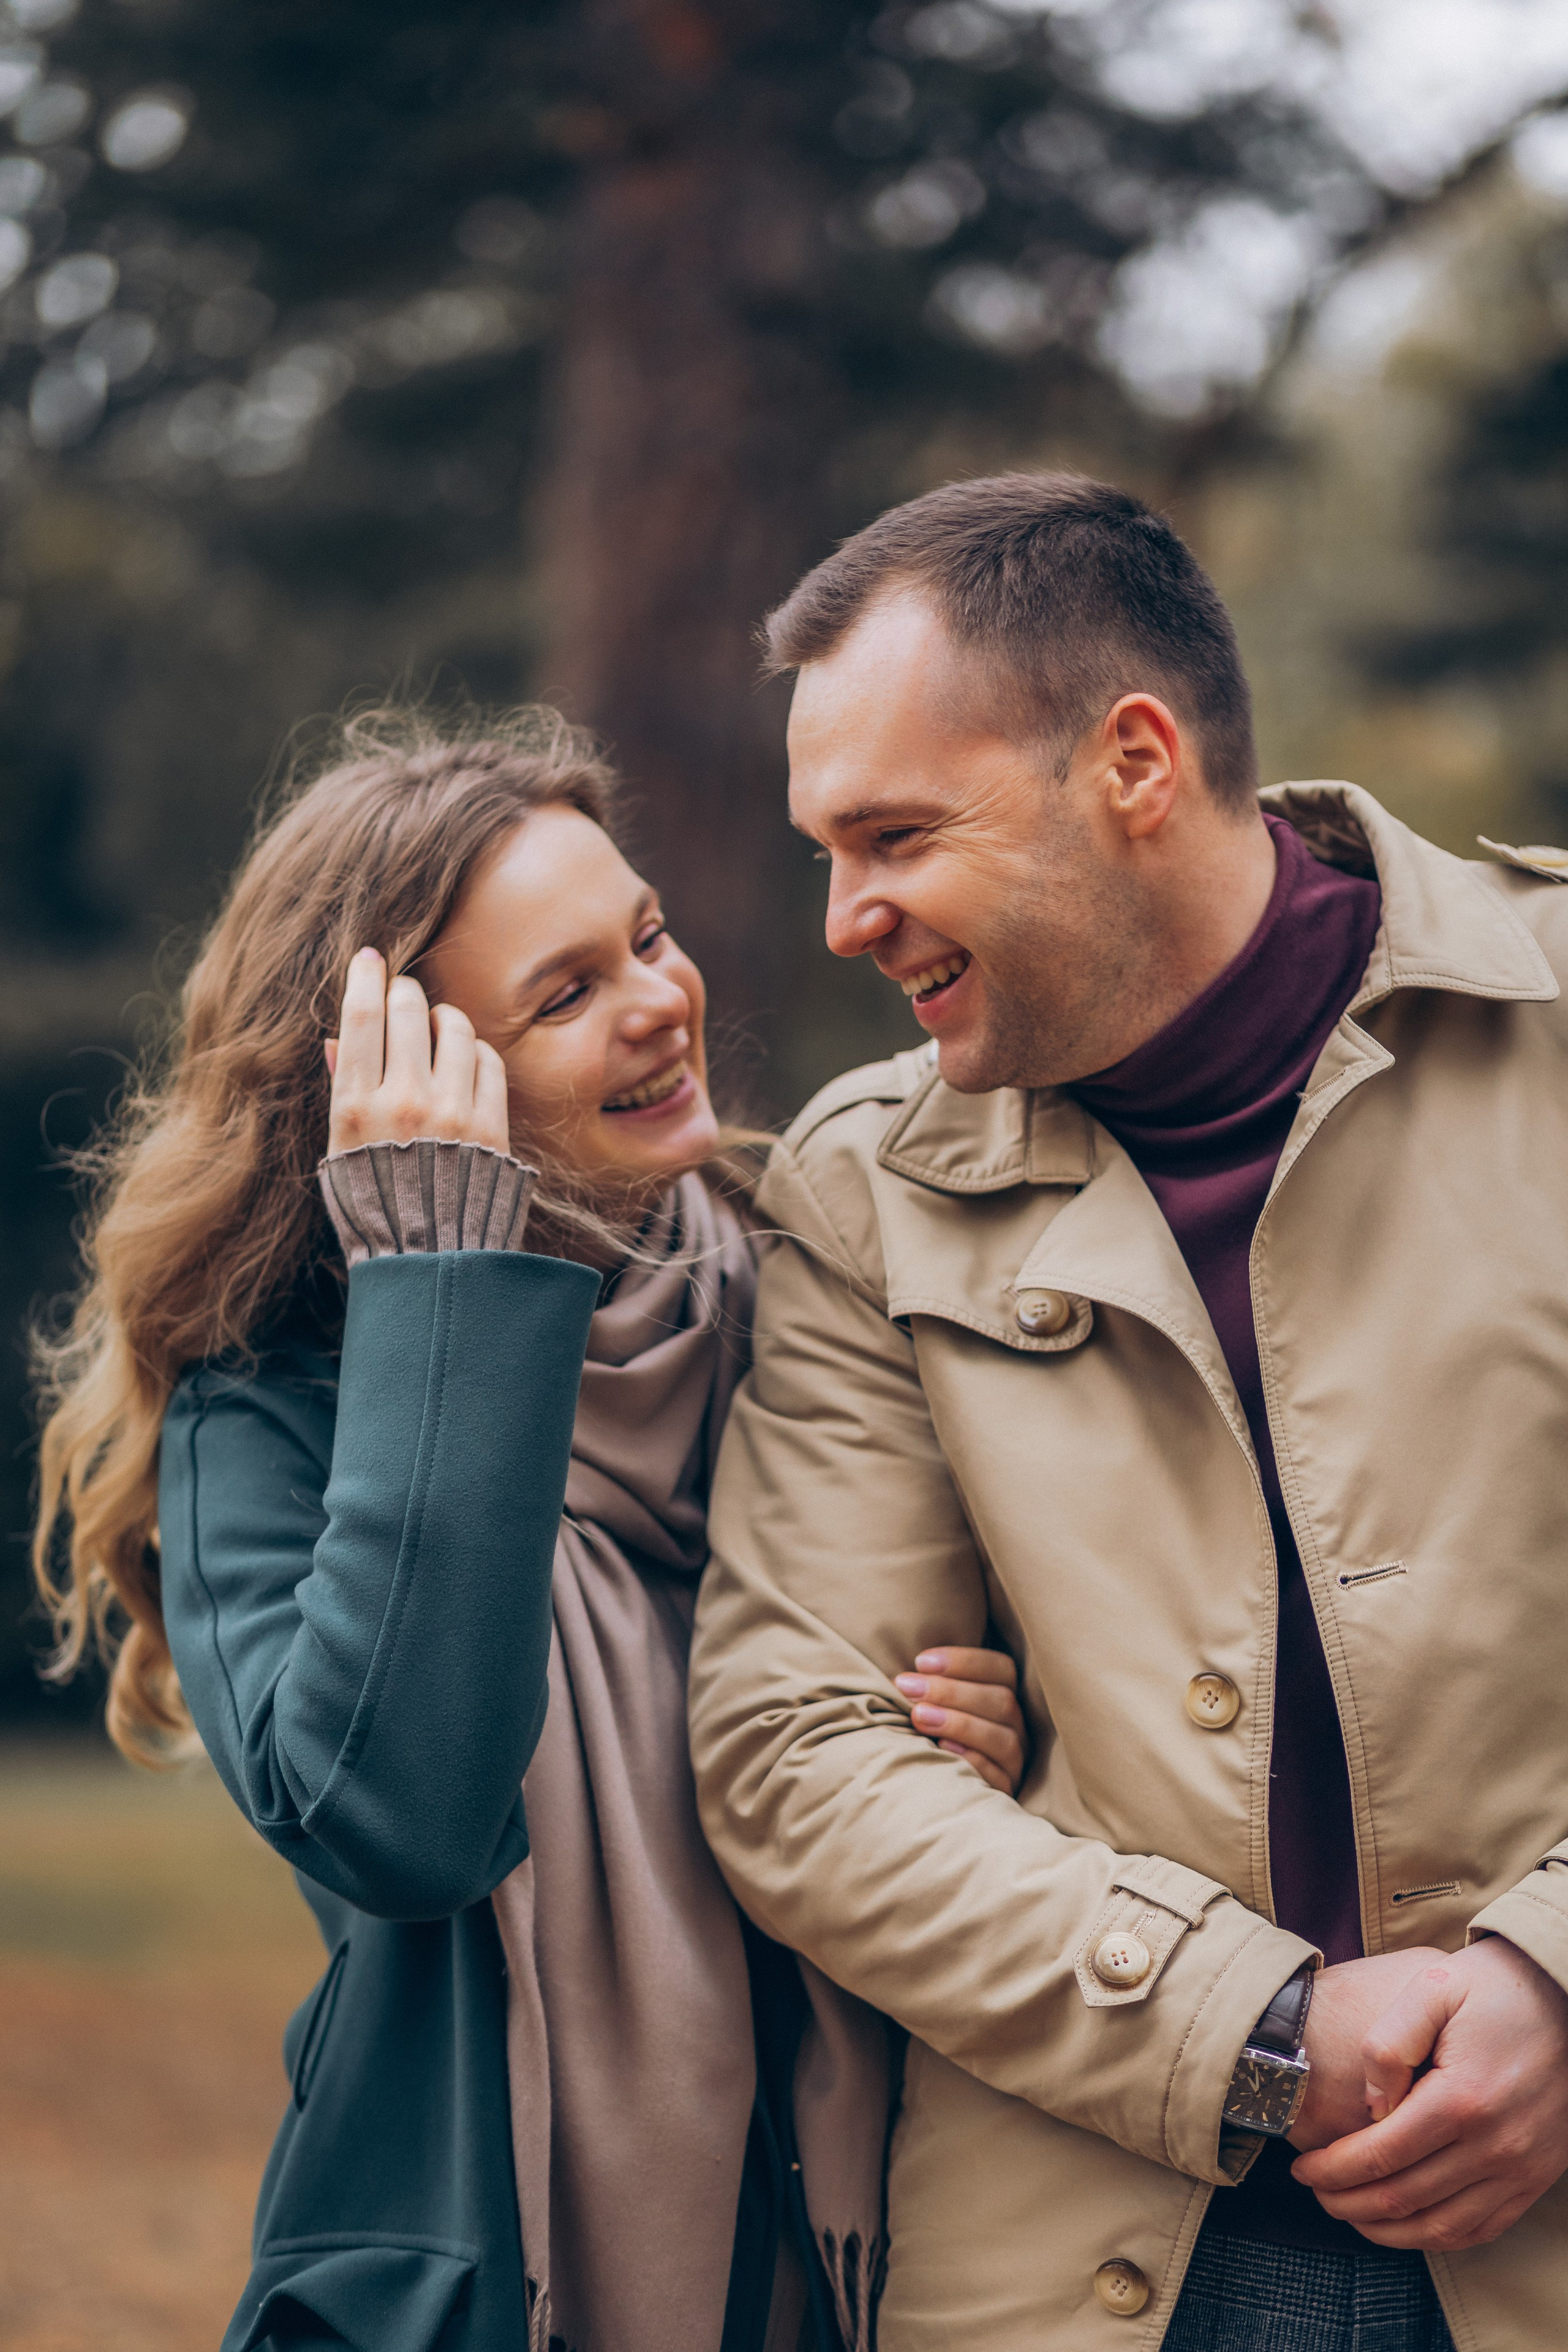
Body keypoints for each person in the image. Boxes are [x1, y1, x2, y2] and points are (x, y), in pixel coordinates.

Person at [686, 472, 1568, 2352]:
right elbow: (797, 1750)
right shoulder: (862, 1191)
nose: (846, 921)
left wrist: (1558, 1977)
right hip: (1100, 2263)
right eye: (824, 853)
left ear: (1137, 765)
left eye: (896, 835)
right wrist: (1253, 2028)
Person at [30, 707, 1027, 2352]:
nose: (659, 1002)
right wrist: (441, 1279)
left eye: (643, 935)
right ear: (402, 1090)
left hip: (868, 2278)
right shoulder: (270, 1421)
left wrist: (977, 1750)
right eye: (564, 996)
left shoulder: (816, 1298)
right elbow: (401, 1817)